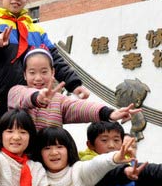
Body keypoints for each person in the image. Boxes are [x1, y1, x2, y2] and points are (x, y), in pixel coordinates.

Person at [0, 0, 88, 115]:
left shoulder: (36, 30)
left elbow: (55, 59)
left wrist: (74, 84)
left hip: (34, 100)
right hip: (0, 100)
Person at [8, 48, 140, 131]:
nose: (38, 78)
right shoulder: (16, 91)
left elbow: (80, 107)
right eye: (32, 72)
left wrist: (109, 113)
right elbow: (25, 97)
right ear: (24, 74)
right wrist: (38, 97)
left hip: (50, 160)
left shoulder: (59, 100)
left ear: (53, 72)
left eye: (44, 71)